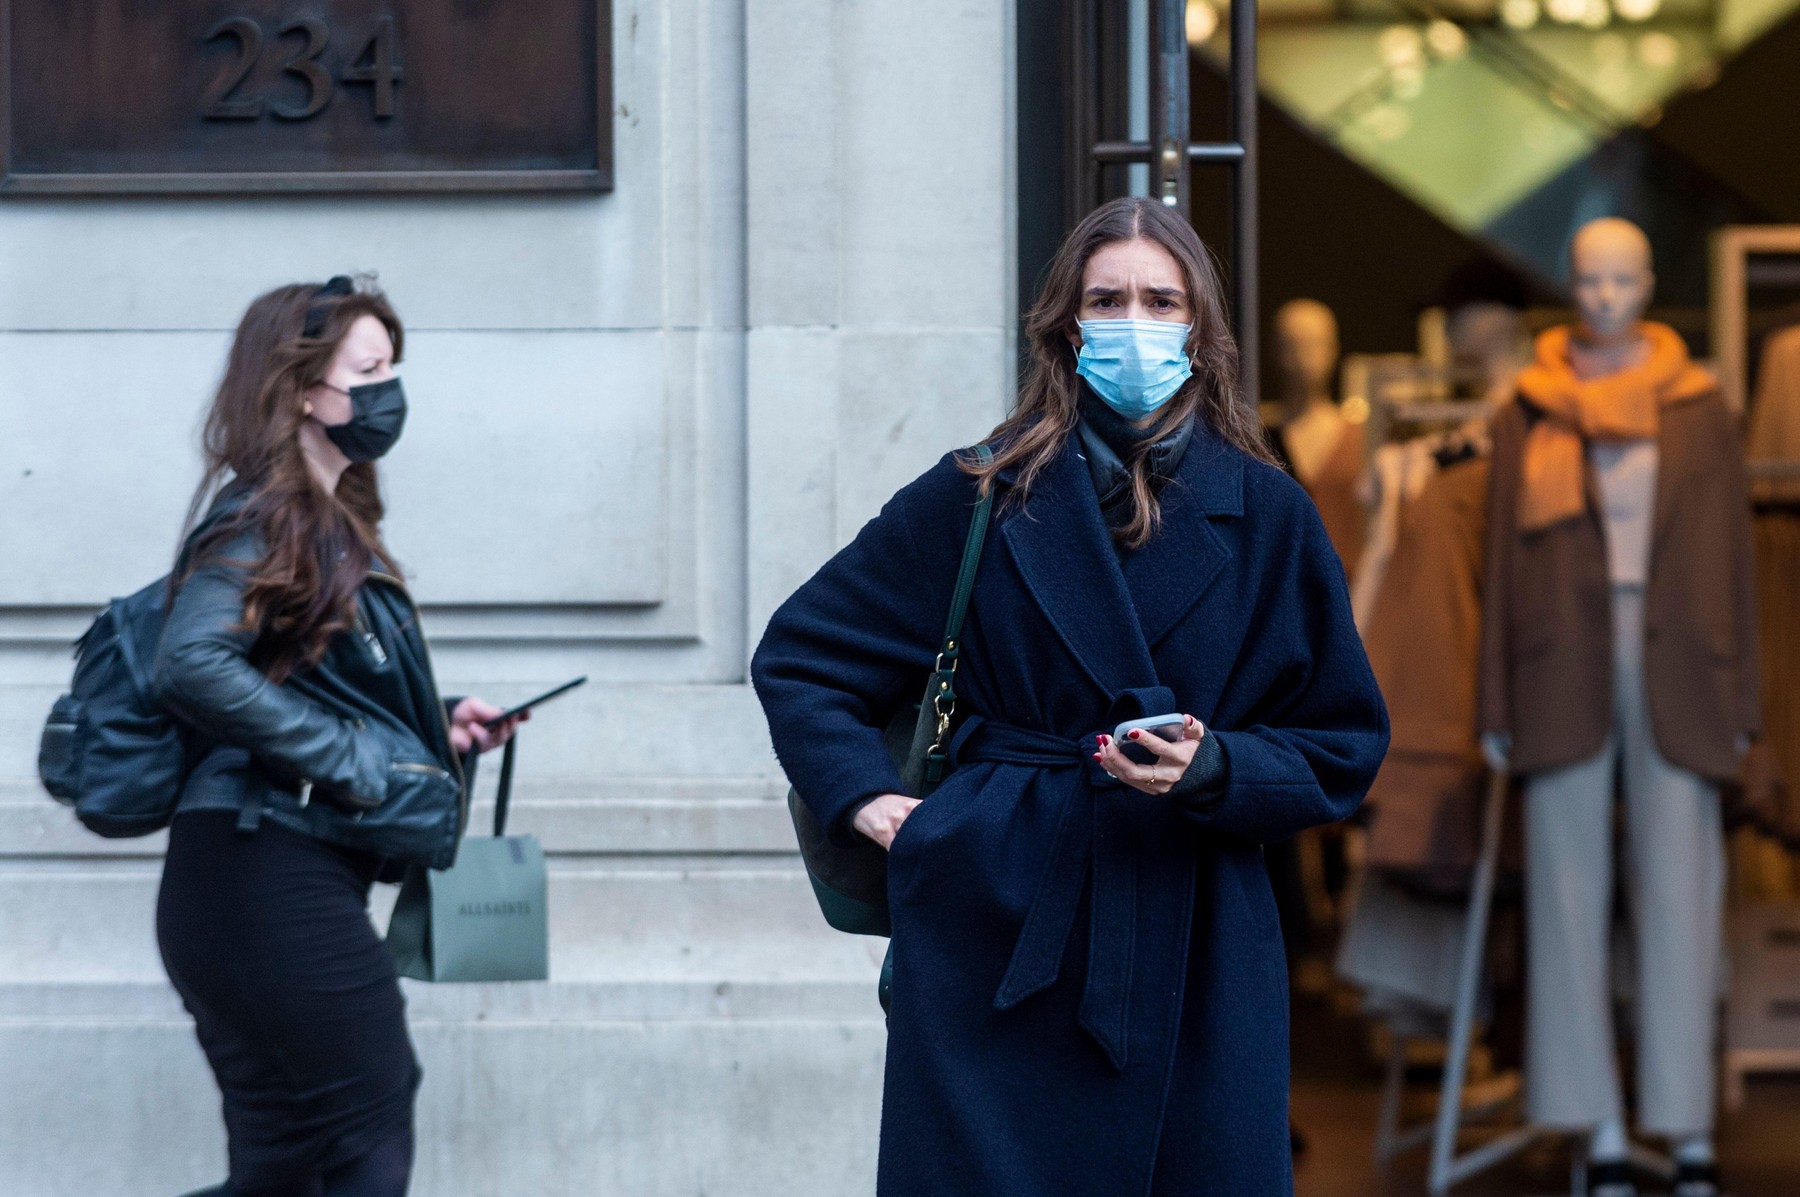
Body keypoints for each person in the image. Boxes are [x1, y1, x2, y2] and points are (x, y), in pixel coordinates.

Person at [752, 197, 1389, 1195]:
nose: (1134, 321)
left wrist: (1215, 765)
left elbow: (1340, 742)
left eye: (1160, 300)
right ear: (1066, 323)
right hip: (996, 916)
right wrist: (871, 802)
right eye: (1108, 299)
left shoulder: (1268, 513)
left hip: (1198, 939)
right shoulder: (979, 492)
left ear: (1198, 326)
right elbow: (803, 656)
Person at [154, 277, 523, 1197]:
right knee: (365, 1130)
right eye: (368, 369)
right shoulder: (268, 513)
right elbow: (192, 662)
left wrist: (433, 728)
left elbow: (293, 673)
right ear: (301, 389)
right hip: (265, 872)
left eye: (391, 367)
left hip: (254, 874)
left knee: (288, 1164)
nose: (388, 391)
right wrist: (355, 759)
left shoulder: (318, 519)